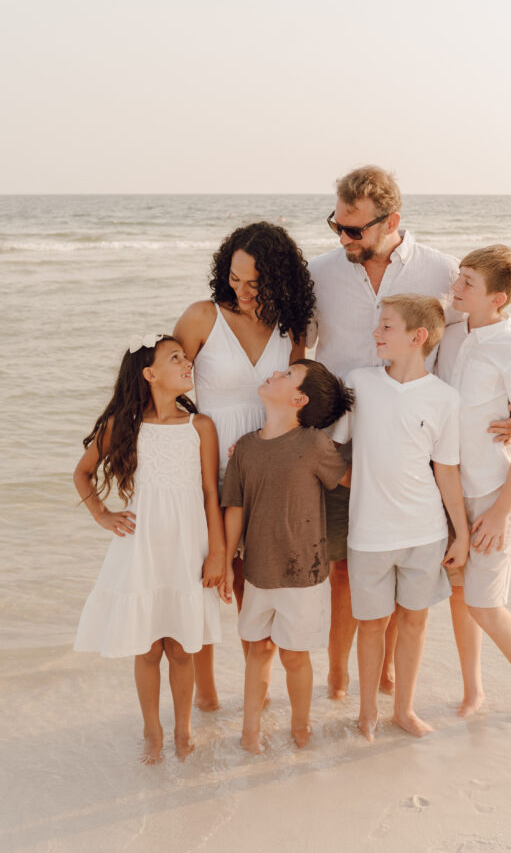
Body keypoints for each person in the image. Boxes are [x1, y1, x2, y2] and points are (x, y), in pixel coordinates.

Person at [306, 166, 511, 699]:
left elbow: (479, 341)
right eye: (338, 225)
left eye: (355, 229)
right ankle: (337, 673)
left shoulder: (442, 271)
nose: (344, 238)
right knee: (343, 567)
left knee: (402, 566)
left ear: (391, 220)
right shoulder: (320, 273)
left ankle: (386, 676)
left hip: (415, 442)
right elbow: (293, 350)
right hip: (339, 441)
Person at [174, 221, 315, 710]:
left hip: (270, 474)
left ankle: (259, 694)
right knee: (210, 580)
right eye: (235, 278)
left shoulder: (291, 327)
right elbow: (165, 390)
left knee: (258, 584)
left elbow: (301, 400)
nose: (243, 290)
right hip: (209, 472)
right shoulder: (201, 318)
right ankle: (208, 699)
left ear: (279, 279)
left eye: (255, 282)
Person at [73, 334, 225, 764]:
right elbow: (82, 474)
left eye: (186, 357)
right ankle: (151, 731)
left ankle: (183, 729)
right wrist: (104, 516)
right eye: (175, 358)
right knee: (148, 647)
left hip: (186, 548)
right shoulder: (124, 427)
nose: (187, 363)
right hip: (141, 547)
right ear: (150, 374)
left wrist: (217, 553)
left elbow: (211, 495)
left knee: (181, 647)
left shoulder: (201, 427)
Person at [332, 295, 469, 739]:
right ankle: (367, 712)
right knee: (370, 625)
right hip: (368, 534)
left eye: (386, 326)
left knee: (414, 621)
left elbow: (445, 471)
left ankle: (403, 711)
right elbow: (334, 452)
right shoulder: (360, 383)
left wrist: (461, 535)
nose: (376, 333)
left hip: (424, 532)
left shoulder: (446, 399)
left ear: (418, 336)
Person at [436, 245, 511, 725]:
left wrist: (502, 510)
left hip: (491, 493)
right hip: (448, 489)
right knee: (459, 595)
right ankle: (473, 691)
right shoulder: (455, 332)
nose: (455, 288)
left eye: (467, 283)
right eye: (458, 277)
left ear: (498, 299)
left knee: (485, 602)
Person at [219, 360, 353, 753]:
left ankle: (300, 726)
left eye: (287, 375)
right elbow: (235, 510)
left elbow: (352, 479)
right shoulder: (244, 447)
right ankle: (250, 730)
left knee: (295, 656)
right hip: (259, 571)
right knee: (258, 650)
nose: (275, 374)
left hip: (304, 574)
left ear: (299, 399)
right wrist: (227, 563)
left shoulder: (313, 444)